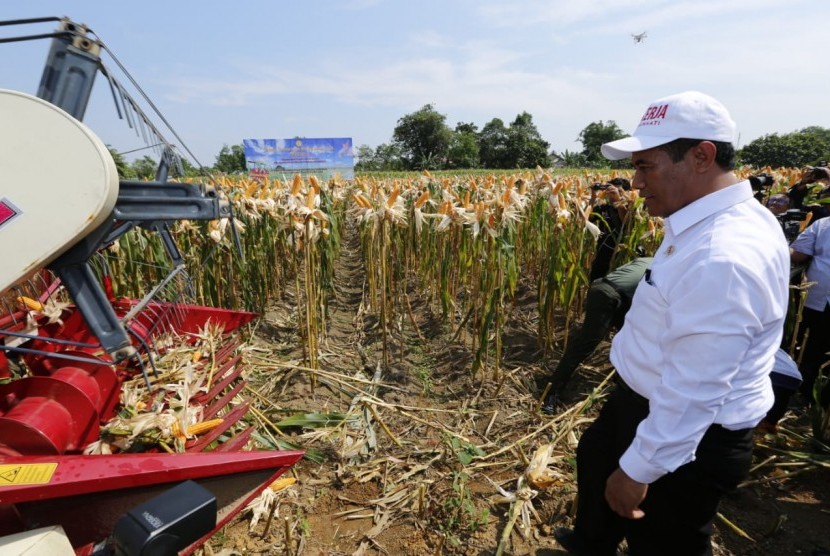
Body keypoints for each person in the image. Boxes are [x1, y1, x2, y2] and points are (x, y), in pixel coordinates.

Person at [554, 91, 790, 556]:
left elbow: (696, 389)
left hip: (686, 439)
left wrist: (640, 469)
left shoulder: (724, 255)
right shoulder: (698, 220)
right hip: (642, 407)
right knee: (596, 473)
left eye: (646, 166)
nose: (635, 183)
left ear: (702, 156)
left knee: (665, 542)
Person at [540, 257, 653, 414]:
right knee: (585, 345)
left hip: (602, 287)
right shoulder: (662, 268)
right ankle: (551, 393)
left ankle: (621, 385)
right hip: (609, 296)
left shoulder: (645, 259)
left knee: (629, 339)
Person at [790, 212, 830, 405]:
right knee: (813, 347)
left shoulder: (823, 225)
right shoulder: (823, 224)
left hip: (816, 299)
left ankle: (806, 393)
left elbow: (798, 255)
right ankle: (814, 397)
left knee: (810, 346)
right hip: (817, 299)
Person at [589, 178, 632, 281]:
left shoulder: (631, 206)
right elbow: (589, 218)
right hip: (603, 253)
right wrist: (594, 196)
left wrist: (618, 201)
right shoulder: (604, 207)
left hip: (622, 256)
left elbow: (626, 225)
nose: (611, 193)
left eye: (616, 190)